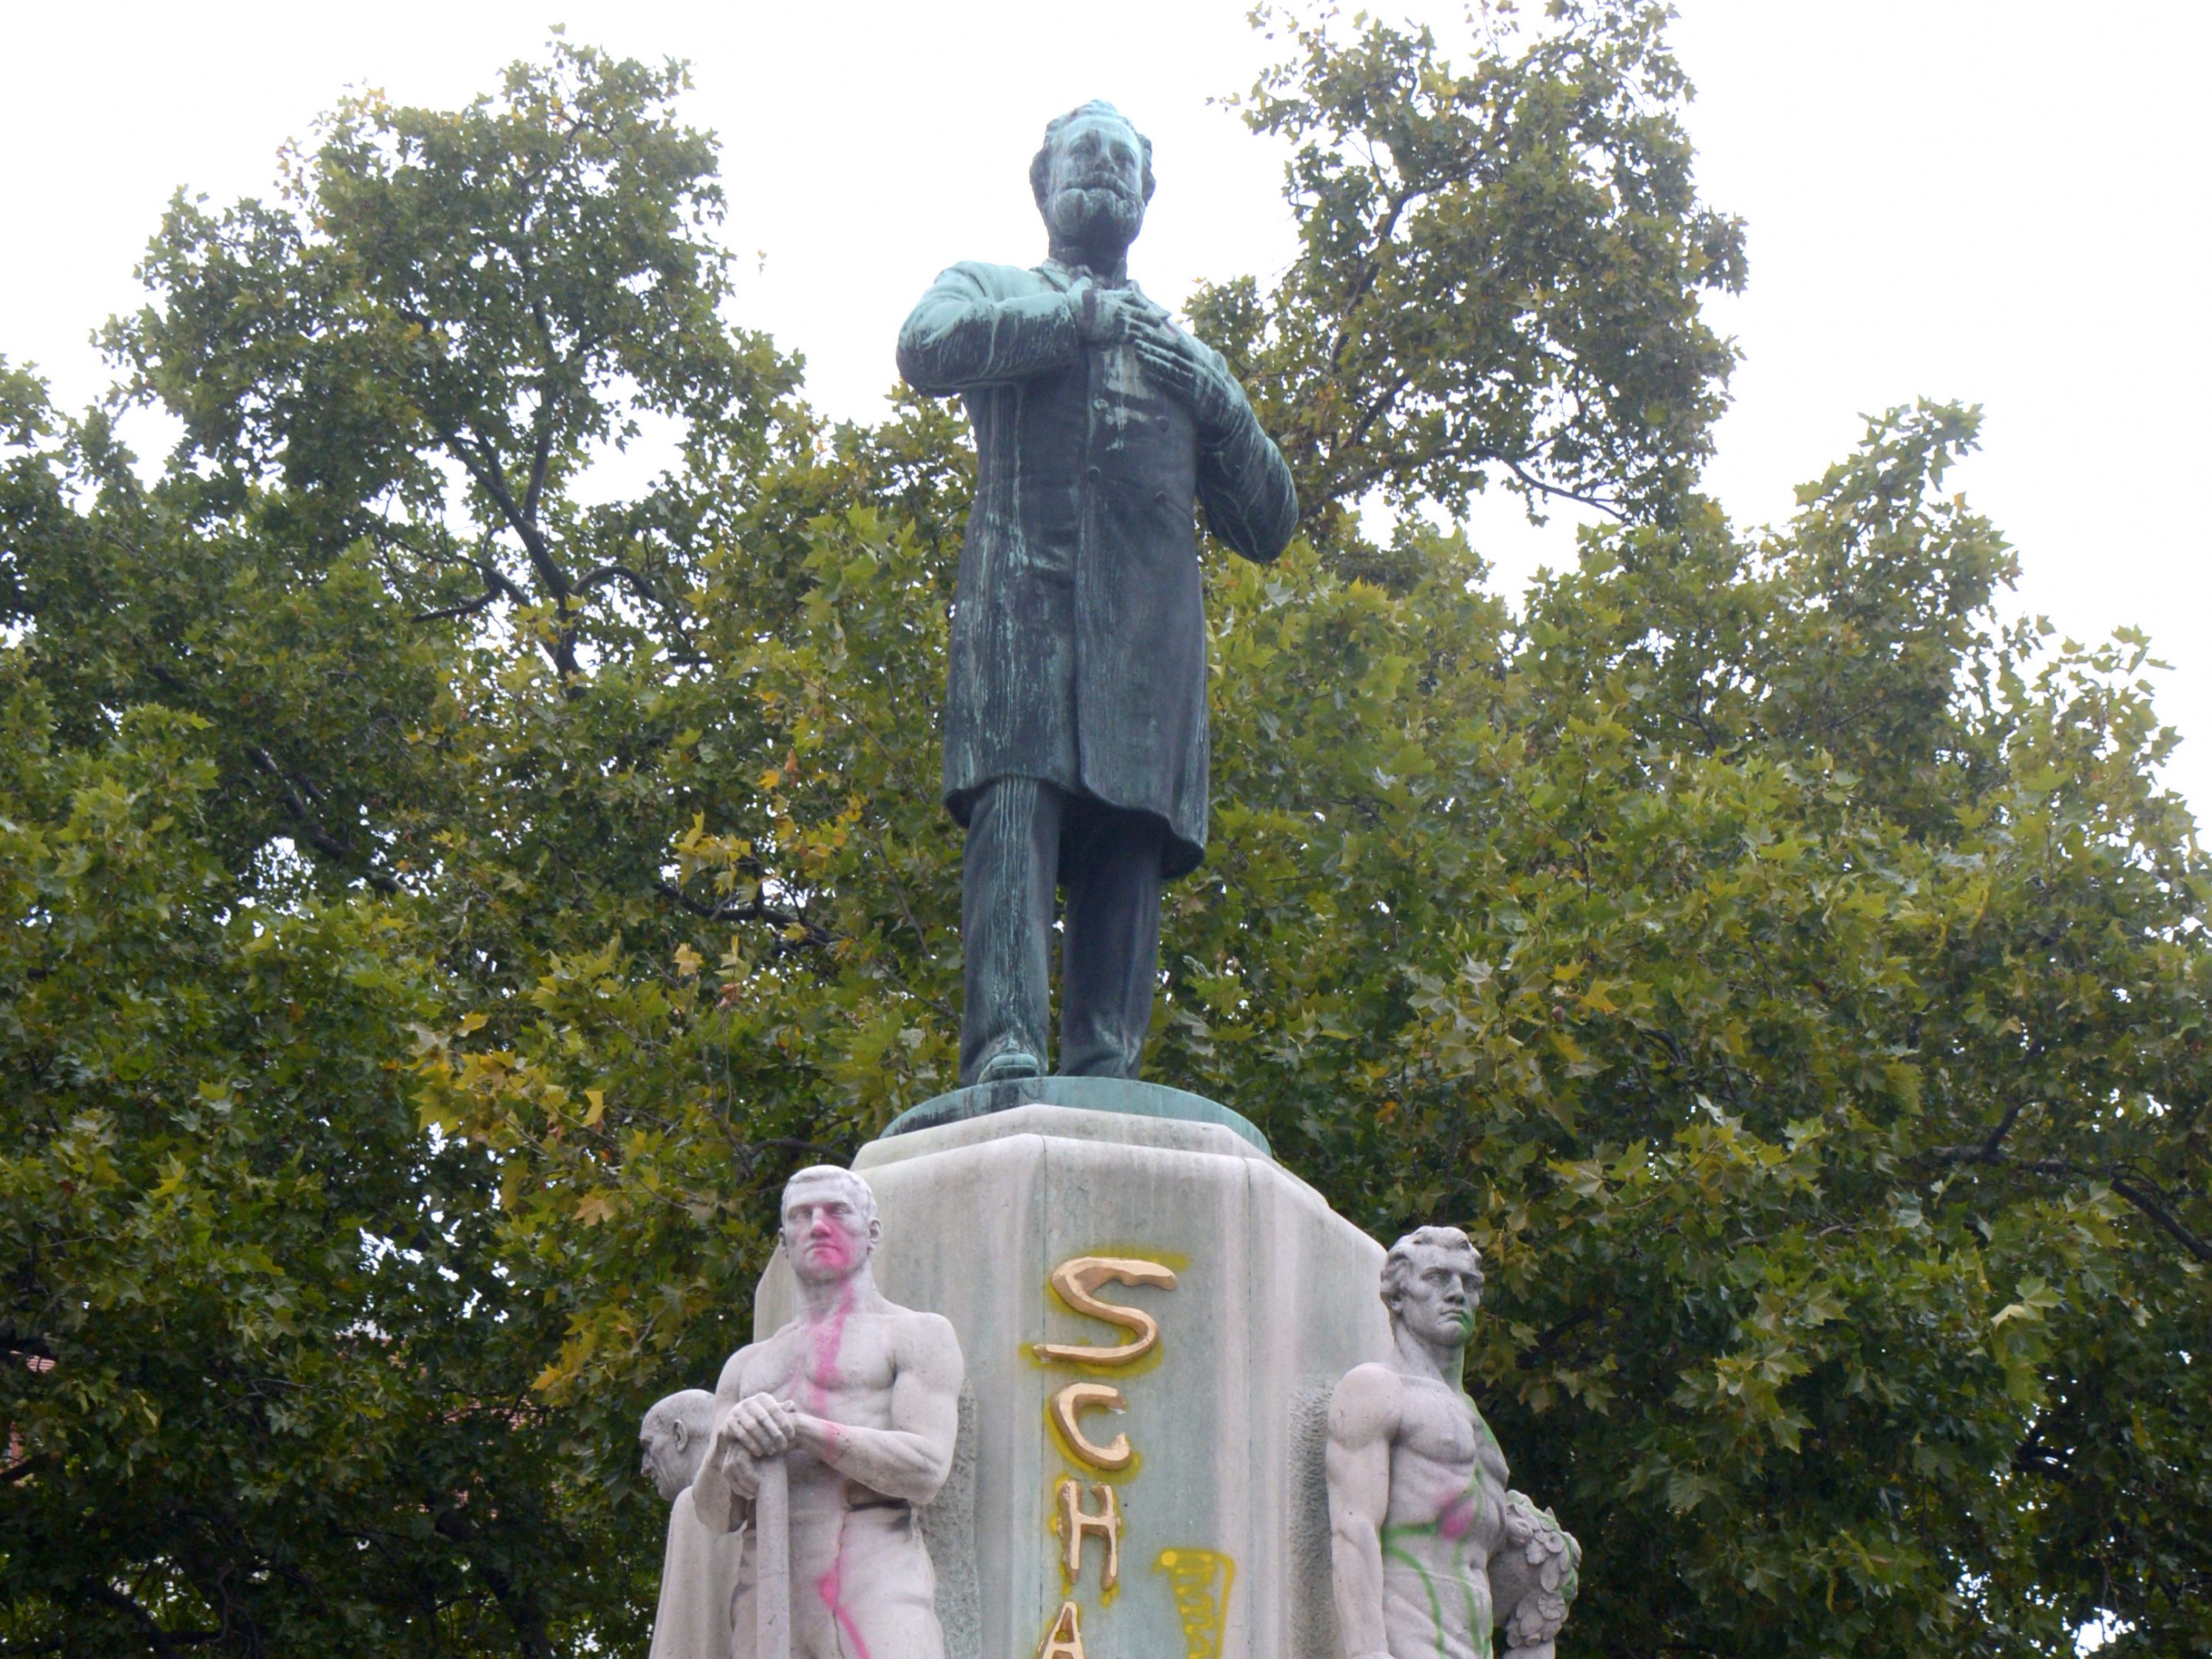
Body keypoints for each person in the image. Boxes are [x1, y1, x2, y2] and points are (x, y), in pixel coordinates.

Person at [898, 99, 1298, 1087]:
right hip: (1019, 613)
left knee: (1129, 838)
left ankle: (1105, 1068)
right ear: (1043, 183)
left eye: (1124, 161)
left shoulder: (1182, 357)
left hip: (1147, 643)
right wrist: (1074, 321)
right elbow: (924, 349)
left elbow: (1267, 525)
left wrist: (1221, 401)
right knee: (1016, 817)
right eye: (1086, 154)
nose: (1105, 171)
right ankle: (1003, 1048)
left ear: (1147, 195)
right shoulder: (994, 288)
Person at [650, 1166, 964, 1659]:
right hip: (769, 1599)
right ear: (784, 1240)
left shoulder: (916, 1335)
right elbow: (714, 1514)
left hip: (874, 1586)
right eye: (801, 1215)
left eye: (837, 1211)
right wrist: (726, 1447)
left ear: (872, 1231)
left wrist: (804, 1430)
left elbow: (926, 1470)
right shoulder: (746, 1367)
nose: (818, 1225)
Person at [1326, 1228, 1579, 1659]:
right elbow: (1354, 1529)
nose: (1456, 1293)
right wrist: (1368, 1654)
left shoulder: (1474, 1422)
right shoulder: (1377, 1389)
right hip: (1410, 1646)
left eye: (1468, 1283)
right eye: (1437, 1278)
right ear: (1398, 1298)